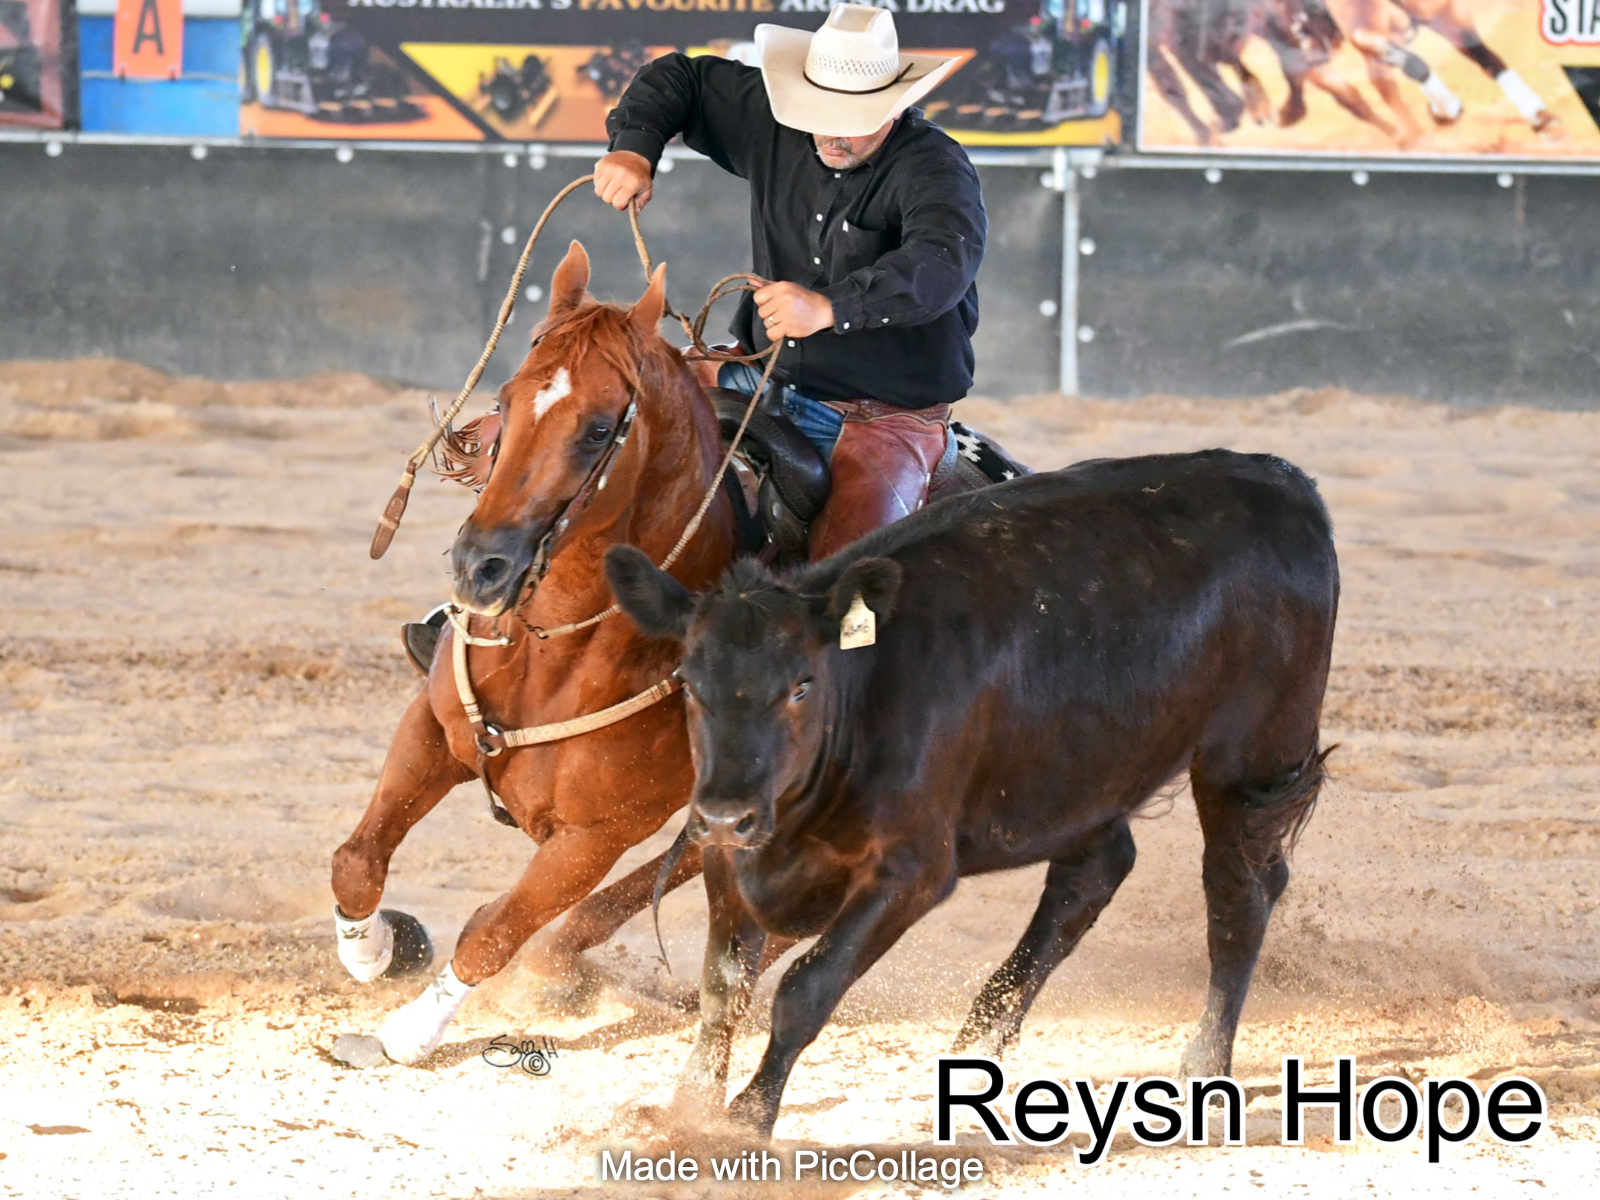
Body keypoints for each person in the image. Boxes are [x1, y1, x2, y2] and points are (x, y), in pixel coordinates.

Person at [594, 2, 986, 559]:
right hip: (760, 373)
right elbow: (680, 77)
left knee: (847, 584)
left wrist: (830, 308)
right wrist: (635, 147)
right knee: (596, 440)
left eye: (852, 121)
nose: (832, 135)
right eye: (819, 114)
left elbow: (943, 262)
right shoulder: (775, 119)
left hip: (883, 412)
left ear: (894, 109)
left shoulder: (934, 167)